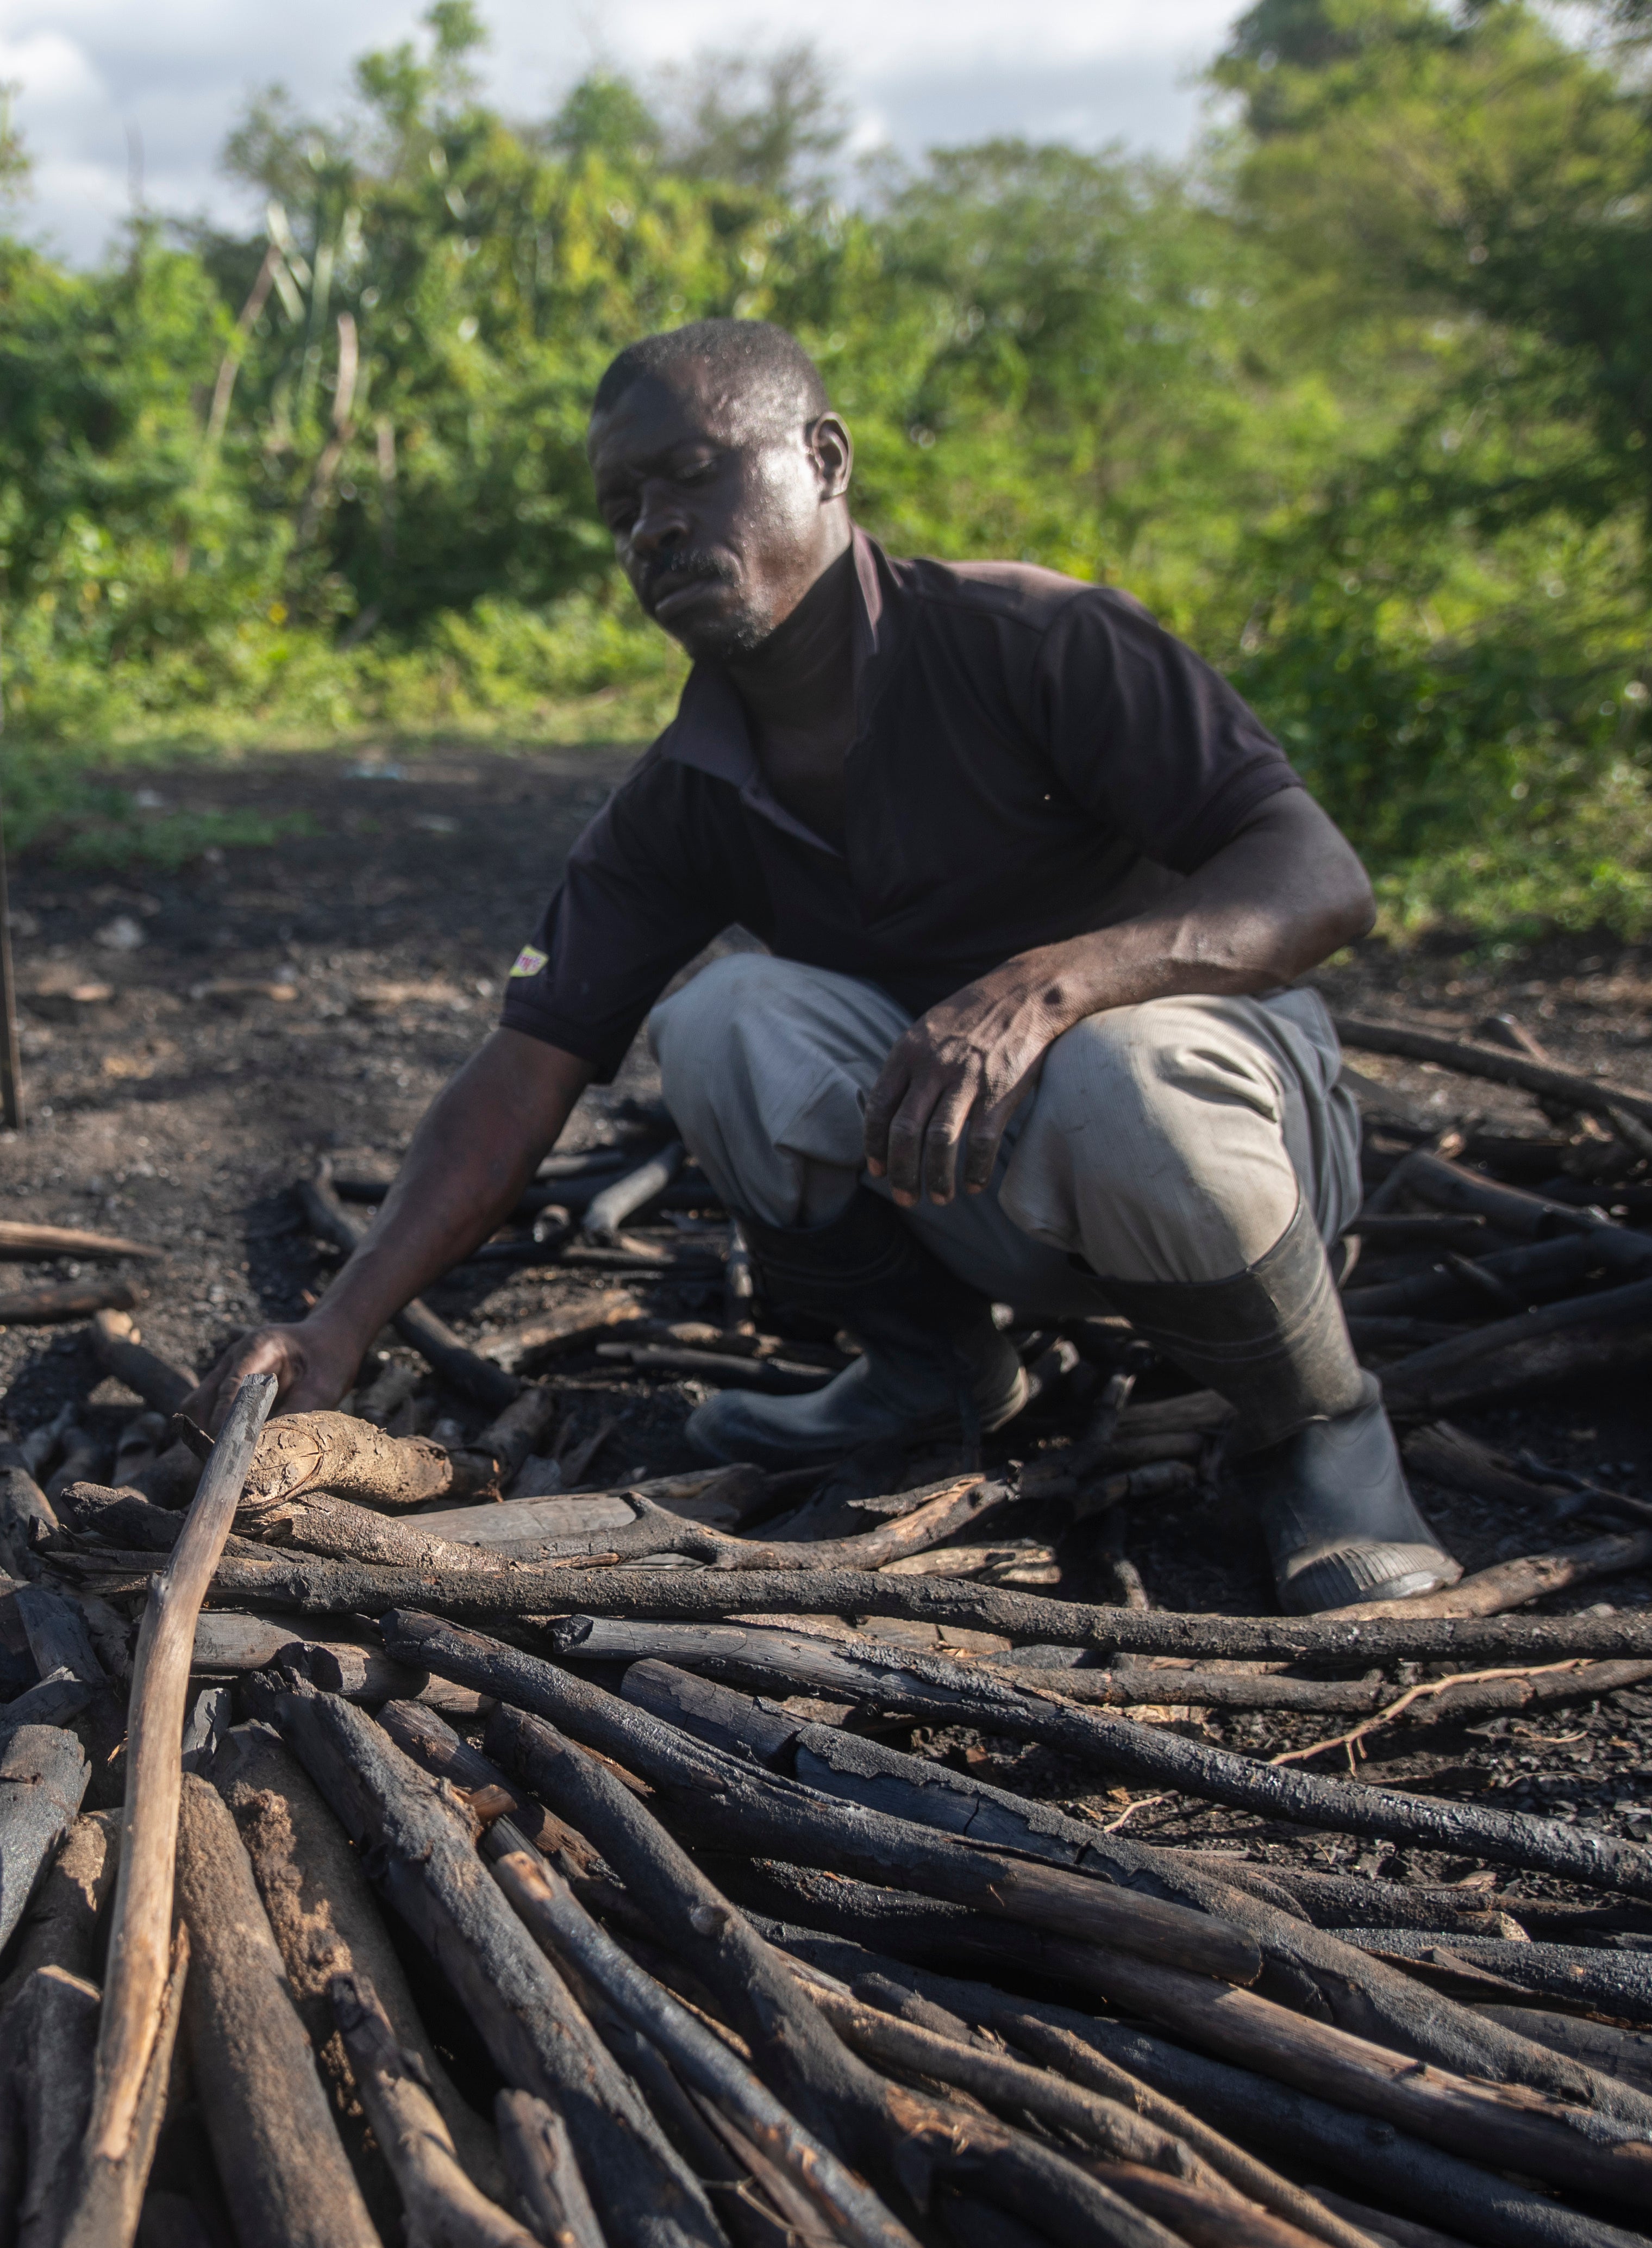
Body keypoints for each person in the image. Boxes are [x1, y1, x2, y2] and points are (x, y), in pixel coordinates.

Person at [191, 317, 1454, 1613]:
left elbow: (1319, 878)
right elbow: (521, 1073)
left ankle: (1320, 1432)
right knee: (725, 1022)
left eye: (692, 474)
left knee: (1118, 1077)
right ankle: (939, 1374)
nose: (654, 529)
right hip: (967, 1168)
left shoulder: (1036, 640)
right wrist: (340, 1319)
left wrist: (1057, 983)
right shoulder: (682, 798)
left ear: (827, 456)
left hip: (1223, 1139)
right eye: (624, 506)